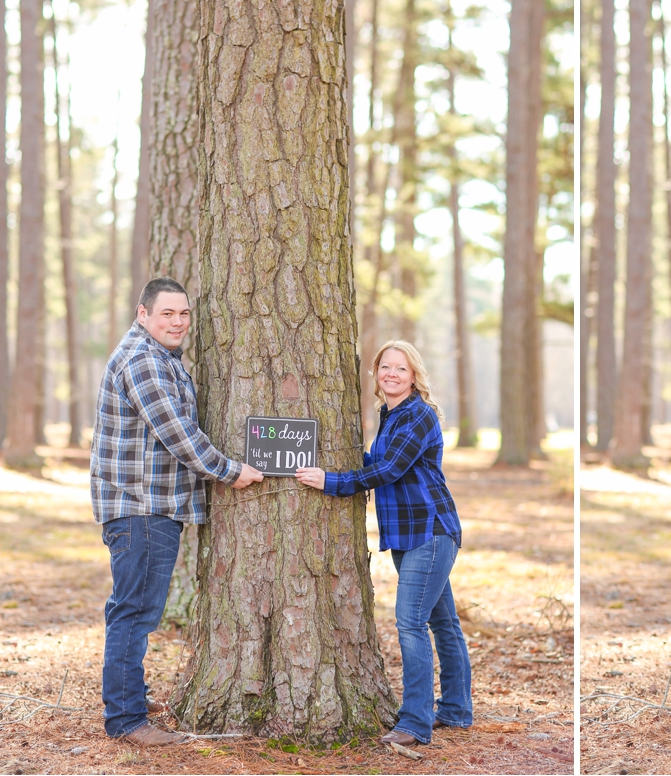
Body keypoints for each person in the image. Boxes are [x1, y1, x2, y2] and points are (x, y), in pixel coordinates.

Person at [91, 277, 264, 747]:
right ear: (143, 314)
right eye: (167, 313)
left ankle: (130, 695)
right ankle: (126, 720)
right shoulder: (144, 360)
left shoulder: (159, 357)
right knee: (135, 612)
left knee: (135, 608)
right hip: (141, 509)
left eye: (183, 314)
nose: (177, 322)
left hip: (148, 507)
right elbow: (177, 434)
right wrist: (229, 471)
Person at [295, 340, 471, 746]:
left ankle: (414, 722)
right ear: (376, 373)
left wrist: (332, 482)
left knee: (411, 624)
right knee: (443, 622)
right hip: (406, 535)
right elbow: (377, 461)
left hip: (430, 530)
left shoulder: (419, 416)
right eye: (385, 367)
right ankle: (457, 710)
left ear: (414, 376)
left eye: (401, 369)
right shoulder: (387, 414)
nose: (392, 374)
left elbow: (389, 469)